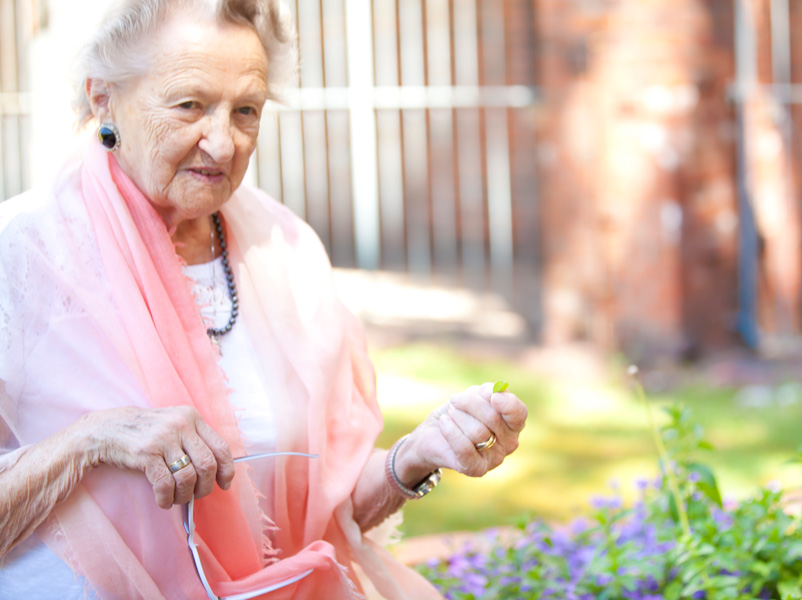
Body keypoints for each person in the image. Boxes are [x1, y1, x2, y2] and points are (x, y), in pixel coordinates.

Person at [0, 0, 528, 598]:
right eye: (189, 106)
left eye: (246, 110)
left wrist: (415, 455)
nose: (223, 145)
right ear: (103, 98)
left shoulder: (285, 250)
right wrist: (90, 441)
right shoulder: (21, 254)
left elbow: (325, 510)